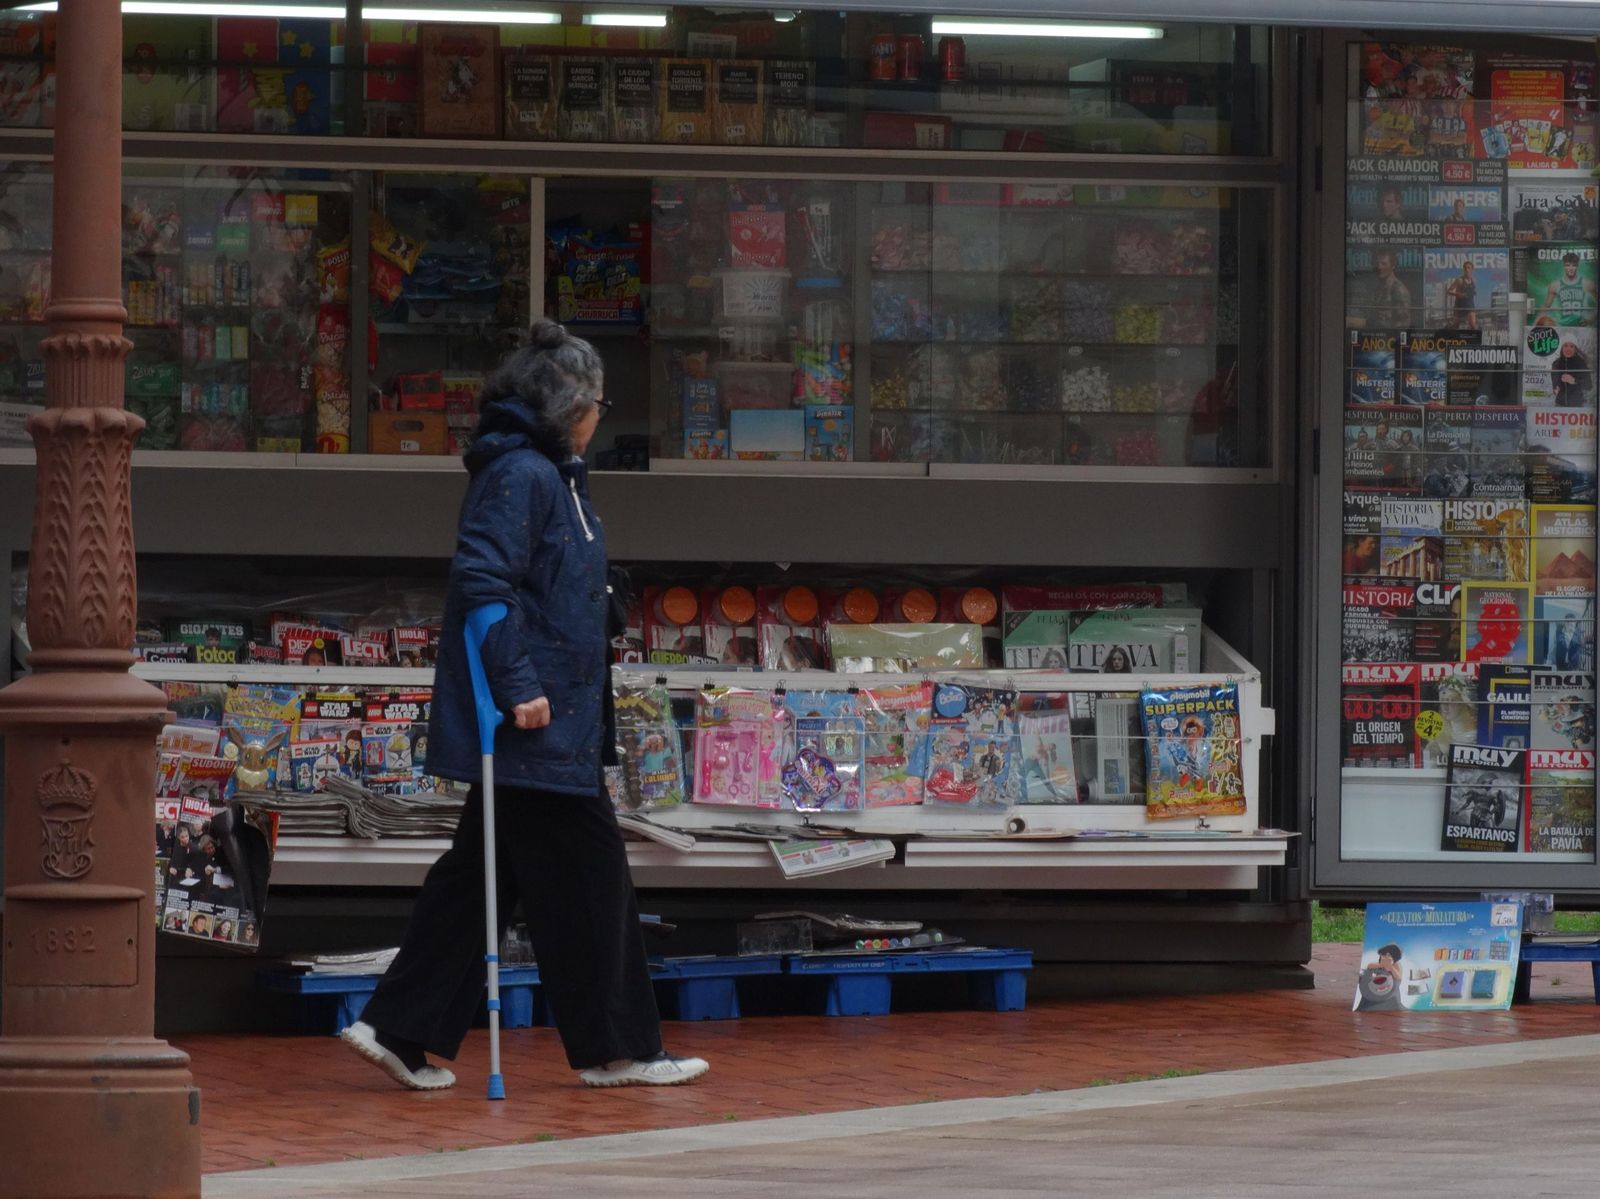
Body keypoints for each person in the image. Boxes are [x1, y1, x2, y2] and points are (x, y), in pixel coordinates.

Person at [342, 320, 708, 1092]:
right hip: (538, 724)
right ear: (570, 403)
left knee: (480, 880)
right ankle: (620, 1047)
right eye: (599, 400)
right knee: (593, 880)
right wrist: (521, 689)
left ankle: (398, 1028)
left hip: (554, 722)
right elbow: (483, 582)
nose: (601, 415)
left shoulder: (548, 476)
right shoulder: (526, 476)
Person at [1535, 251, 1598, 327]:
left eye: (1573, 265)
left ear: (1577, 266)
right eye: (1567, 265)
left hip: (1580, 326)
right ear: (1564, 266)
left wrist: (1591, 320)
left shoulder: (1587, 284)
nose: (1571, 268)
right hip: (1563, 326)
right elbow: (1545, 307)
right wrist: (1535, 326)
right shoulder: (1555, 285)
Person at [1445, 259, 1477, 330]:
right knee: (1455, 327)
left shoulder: (1474, 280)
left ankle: (1475, 340)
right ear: (1463, 269)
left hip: (1470, 306)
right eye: (1465, 268)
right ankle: (1447, 329)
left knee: (1473, 326)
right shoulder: (1459, 280)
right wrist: (1458, 294)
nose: (1467, 269)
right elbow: (1449, 291)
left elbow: (1473, 293)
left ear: (1472, 270)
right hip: (1459, 307)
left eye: (1468, 268)